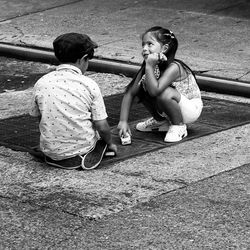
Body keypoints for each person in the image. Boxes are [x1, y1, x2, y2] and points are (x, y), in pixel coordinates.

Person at [29, 32, 117, 169]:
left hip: (50, 151)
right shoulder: (89, 84)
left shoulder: (41, 83)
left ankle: (54, 153)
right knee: (102, 140)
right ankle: (83, 154)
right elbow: (101, 125)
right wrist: (110, 143)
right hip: (80, 150)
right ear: (83, 59)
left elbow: (38, 117)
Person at [117, 26, 203, 142]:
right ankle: (161, 122)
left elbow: (155, 91)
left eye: (149, 44)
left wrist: (149, 66)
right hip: (171, 105)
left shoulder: (174, 67)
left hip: (190, 109)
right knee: (142, 86)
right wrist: (123, 121)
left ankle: (179, 126)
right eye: (143, 44)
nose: (144, 48)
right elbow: (130, 93)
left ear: (164, 48)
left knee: (164, 92)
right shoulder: (149, 65)